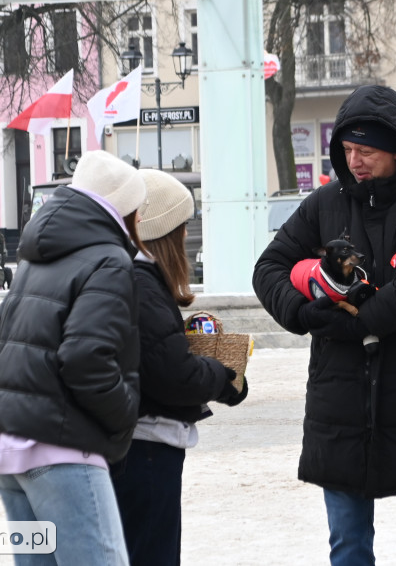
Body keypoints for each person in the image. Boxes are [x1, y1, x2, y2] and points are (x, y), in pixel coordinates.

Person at [252, 85, 396, 565]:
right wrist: (302, 313)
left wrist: (358, 322)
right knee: (348, 546)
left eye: (366, 151)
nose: (355, 161)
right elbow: (268, 269)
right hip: (340, 405)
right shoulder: (324, 202)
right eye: (347, 149)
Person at [0, 149, 147, 565]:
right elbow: (85, 357)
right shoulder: (109, 260)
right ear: (123, 209)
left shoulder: (34, 257)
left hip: (8, 447)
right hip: (64, 451)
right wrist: (124, 413)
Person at [111, 169, 249, 565]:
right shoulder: (142, 285)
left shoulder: (128, 276)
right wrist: (224, 376)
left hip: (132, 445)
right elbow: (175, 375)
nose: (188, 235)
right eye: (184, 226)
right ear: (166, 233)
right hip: (147, 448)